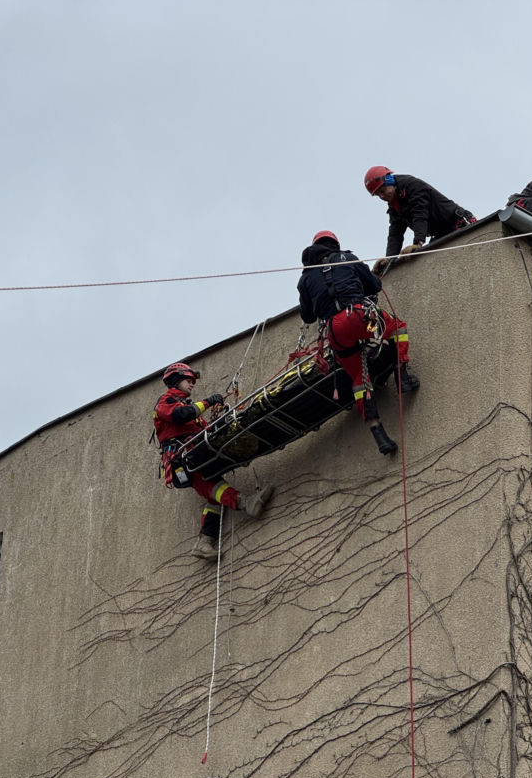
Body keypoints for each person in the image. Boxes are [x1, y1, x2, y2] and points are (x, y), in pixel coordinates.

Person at [298, 230, 419, 456]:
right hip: (362, 318)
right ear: (334, 244)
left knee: (359, 379)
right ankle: (403, 376)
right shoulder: (346, 257)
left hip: (336, 332)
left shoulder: (305, 278)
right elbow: (374, 285)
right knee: (396, 329)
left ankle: (378, 432)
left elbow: (307, 317)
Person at [153, 362, 274, 560]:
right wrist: (208, 402)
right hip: (183, 460)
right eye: (188, 380)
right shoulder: (166, 402)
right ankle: (246, 503)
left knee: (212, 496)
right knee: (211, 486)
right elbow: (180, 415)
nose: (192, 384)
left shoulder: (187, 406)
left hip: (195, 456)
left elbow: (203, 430)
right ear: (176, 380)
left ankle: (204, 542)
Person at [364, 166, 476, 273]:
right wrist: (389, 258)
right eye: (378, 195)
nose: (382, 197)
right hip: (441, 232)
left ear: (390, 181)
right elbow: (395, 232)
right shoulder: (395, 204)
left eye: (382, 191)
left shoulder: (411, 185)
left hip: (456, 223)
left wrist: (418, 242)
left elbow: (420, 213)